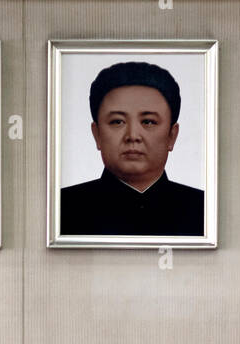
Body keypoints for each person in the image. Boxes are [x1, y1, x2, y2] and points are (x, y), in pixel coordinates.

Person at [60, 60, 204, 236]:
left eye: (148, 122)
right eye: (117, 122)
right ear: (97, 134)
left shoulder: (205, 210)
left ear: (171, 136)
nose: (133, 135)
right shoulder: (60, 209)